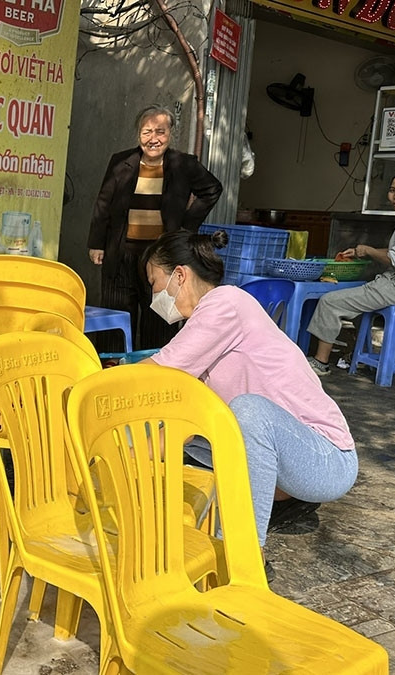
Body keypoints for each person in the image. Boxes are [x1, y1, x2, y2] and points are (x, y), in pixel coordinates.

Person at [140, 229, 359, 554]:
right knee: (194, 443)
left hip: (326, 459)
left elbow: (157, 372)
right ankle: (280, 499)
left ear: (180, 275)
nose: (154, 294)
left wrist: (86, 386)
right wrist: (123, 456)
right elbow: (183, 419)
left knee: (248, 411)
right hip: (288, 455)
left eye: (155, 282)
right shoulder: (205, 328)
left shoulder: (226, 304)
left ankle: (243, 553)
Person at [88, 105, 222, 351]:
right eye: (147, 132)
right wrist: (97, 244)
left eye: (160, 131)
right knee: (116, 317)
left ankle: (155, 366)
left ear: (170, 134)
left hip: (160, 256)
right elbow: (103, 202)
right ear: (138, 134)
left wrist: (186, 228)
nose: (153, 139)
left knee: (159, 321)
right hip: (121, 253)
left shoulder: (183, 164)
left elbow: (212, 189)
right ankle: (113, 365)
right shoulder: (121, 162)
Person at [307, 170, 395, 375]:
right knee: (357, 304)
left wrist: (368, 250)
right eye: (392, 190)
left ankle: (320, 362)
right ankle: (359, 354)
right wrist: (361, 251)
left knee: (330, 301)